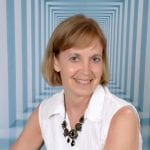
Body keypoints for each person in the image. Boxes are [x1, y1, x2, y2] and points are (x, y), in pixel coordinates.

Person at [11, 14, 142, 150]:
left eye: (95, 59)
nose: (86, 71)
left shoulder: (122, 117)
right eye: (75, 58)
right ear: (56, 62)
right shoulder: (46, 112)